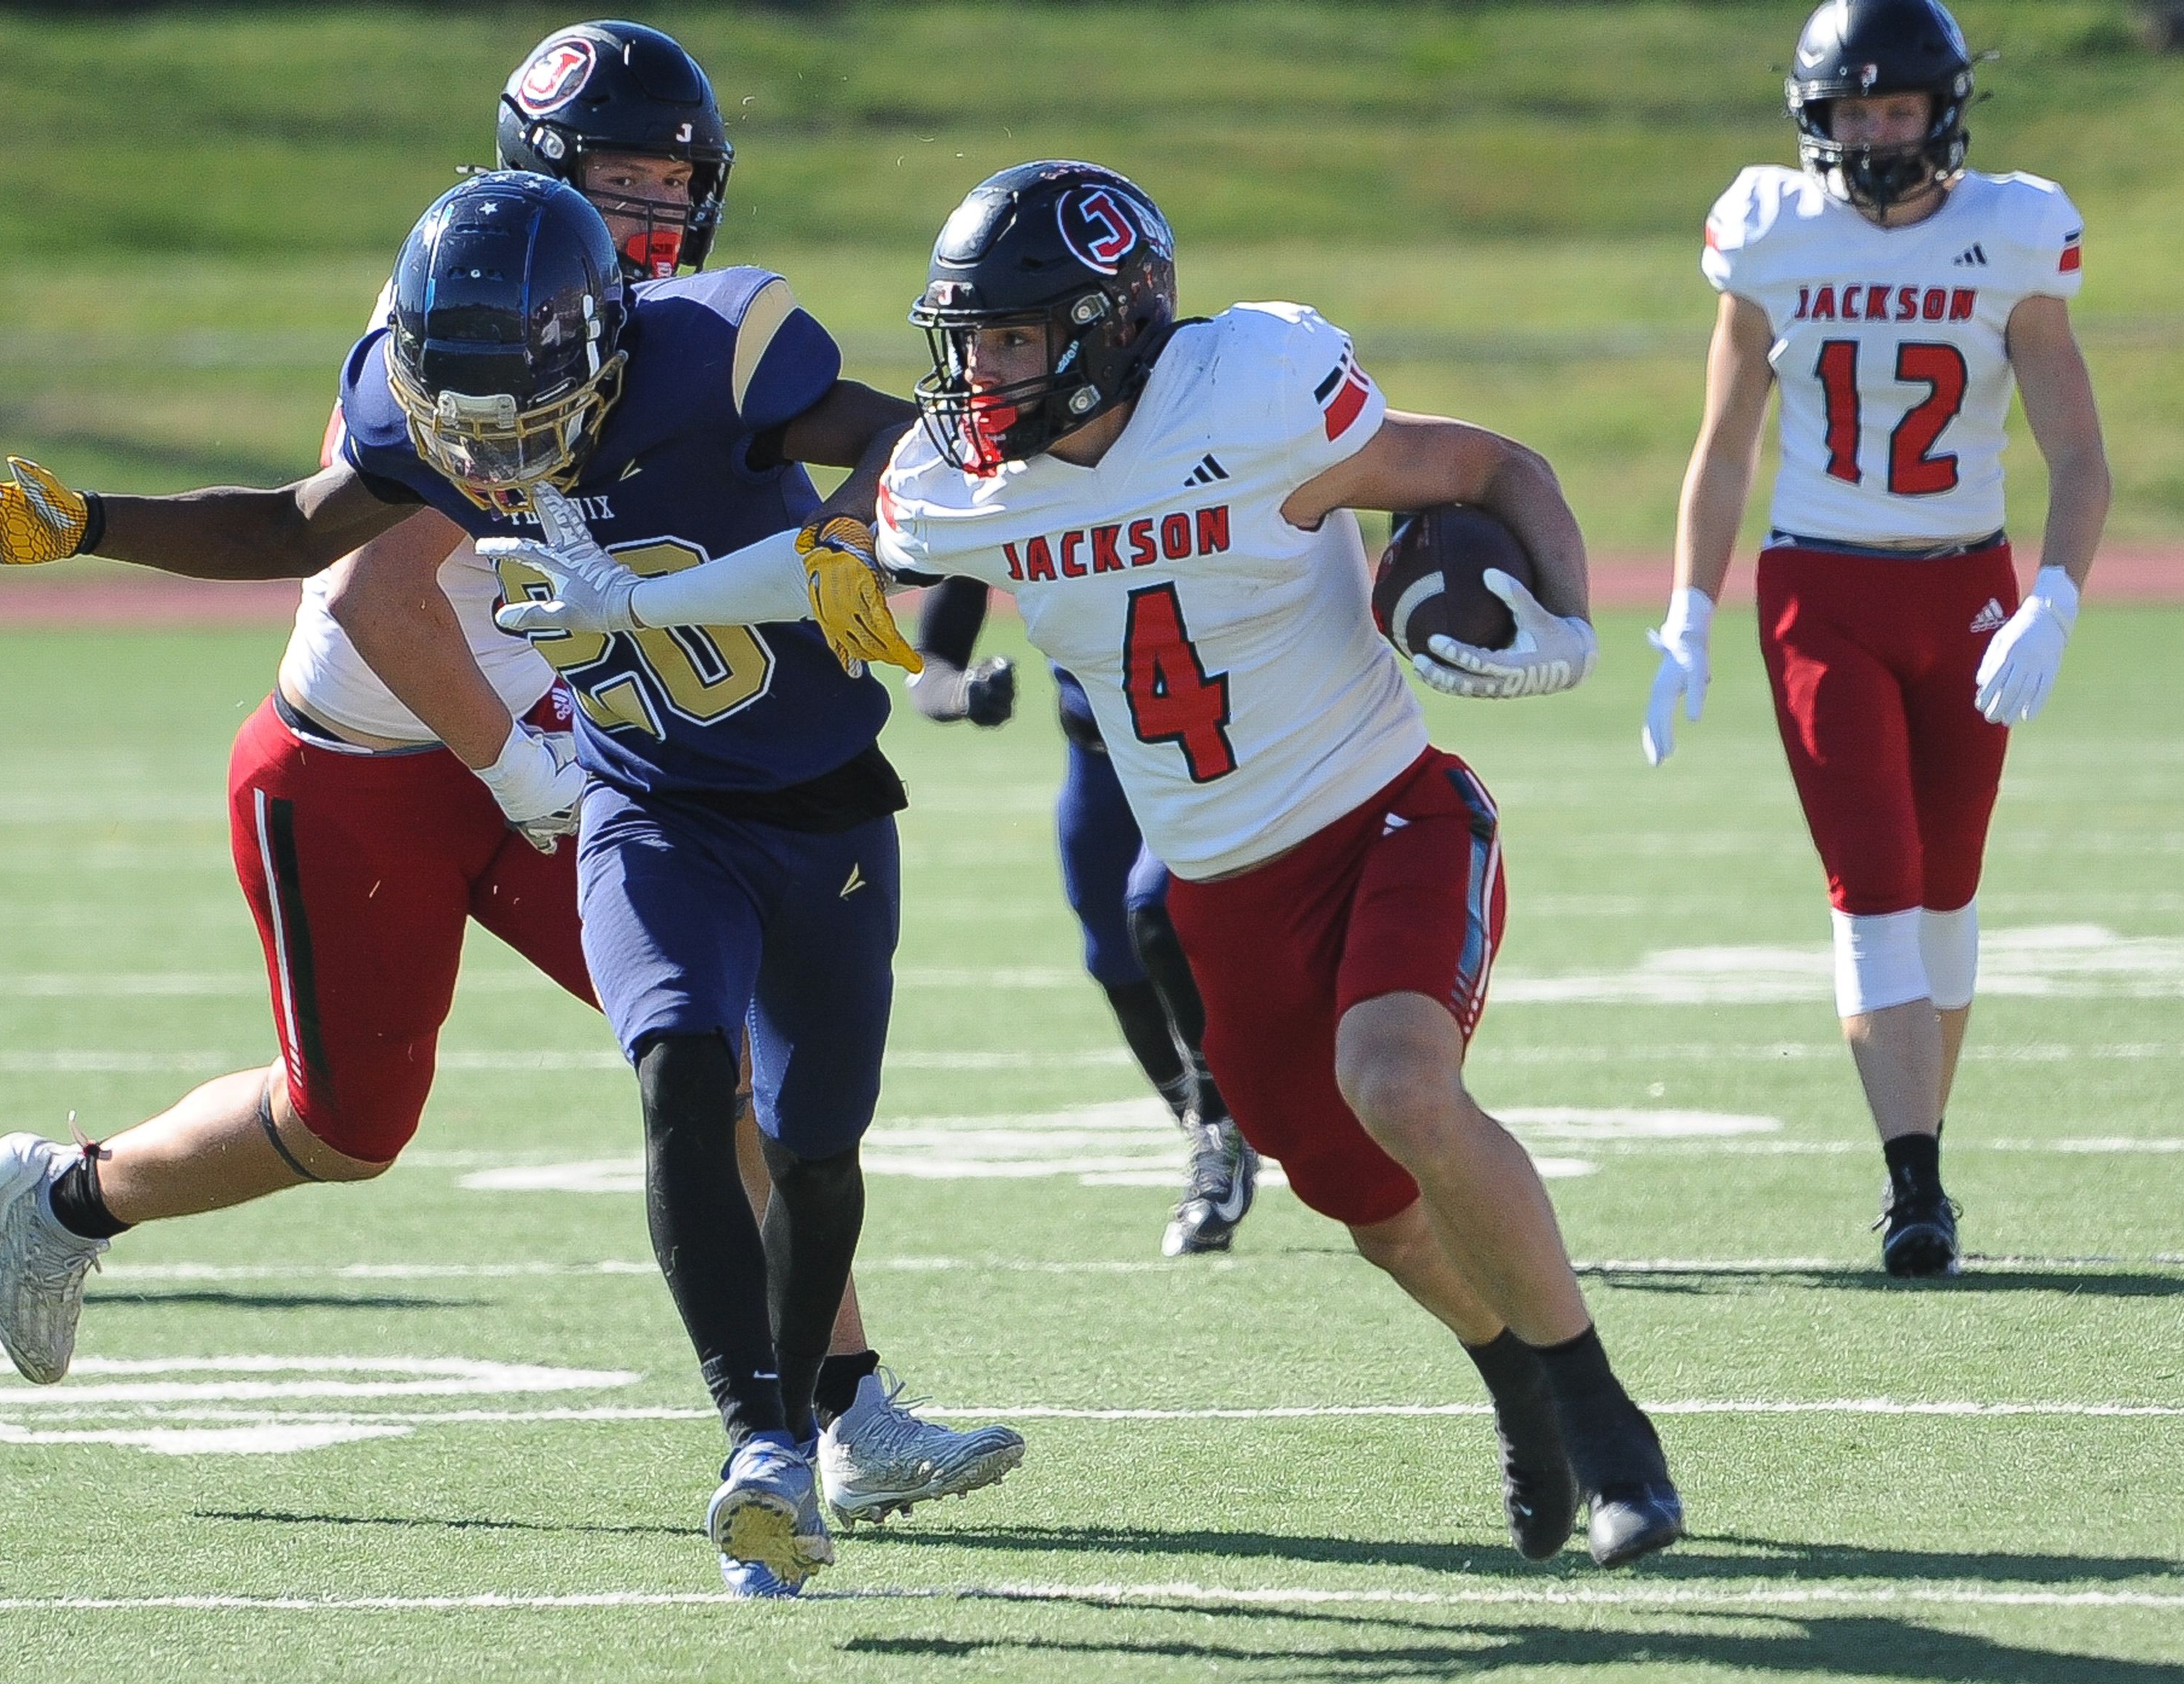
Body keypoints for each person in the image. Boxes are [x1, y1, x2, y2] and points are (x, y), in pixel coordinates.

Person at [501, 161, 1685, 1567]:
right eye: (965, 339)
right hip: (1216, 888)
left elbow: (1496, 469)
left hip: (1383, 814)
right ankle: (1519, 1386)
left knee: (1399, 1084)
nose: (977, 371)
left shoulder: (1253, 396)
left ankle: (1614, 1433)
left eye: (1010, 337)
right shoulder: (964, 481)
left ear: (1112, 323)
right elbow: (828, 570)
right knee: (1371, 1214)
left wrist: (1568, 623)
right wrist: (636, 602)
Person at [0, 154, 1013, 1593]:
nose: (493, 470)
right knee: (349, 1126)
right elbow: (334, 558)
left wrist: (847, 538)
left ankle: (835, 1411)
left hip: (576, 752)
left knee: (722, 1061)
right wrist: (96, 524)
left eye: (663, 176)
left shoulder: (678, 340)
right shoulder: (449, 338)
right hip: (373, 768)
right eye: (617, 177)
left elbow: (905, 438)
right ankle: (70, 1199)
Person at [1642, 0, 2110, 1276]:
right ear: (1816, 117)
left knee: (1948, 894)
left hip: (1965, 588)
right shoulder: (1771, 229)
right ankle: (1917, 1184)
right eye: (1852, 110)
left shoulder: (2011, 231)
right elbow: (1724, 445)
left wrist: (2053, 599)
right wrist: (1690, 613)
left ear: (1942, 110)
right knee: (1877, 885)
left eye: (1895, 107)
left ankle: (1918, 1140)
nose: (1874, 132)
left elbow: (2077, 454)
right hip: (1820, 592)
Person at [904, 580, 1260, 1257]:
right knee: (1114, 963)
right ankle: (1212, 1134)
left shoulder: (1184, 473)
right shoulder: (1001, 483)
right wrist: (961, 692)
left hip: (1215, 749)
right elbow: (933, 656)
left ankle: (1220, 1129)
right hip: (1098, 760)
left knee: (1152, 916)